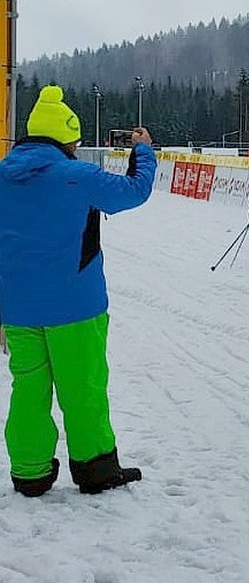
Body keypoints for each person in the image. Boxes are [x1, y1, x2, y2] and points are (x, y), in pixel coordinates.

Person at [0, 86, 155, 496]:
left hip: (16, 310)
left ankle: (29, 473)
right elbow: (134, 191)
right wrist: (144, 152)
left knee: (28, 389)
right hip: (75, 307)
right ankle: (96, 469)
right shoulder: (76, 174)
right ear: (66, 138)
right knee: (82, 387)